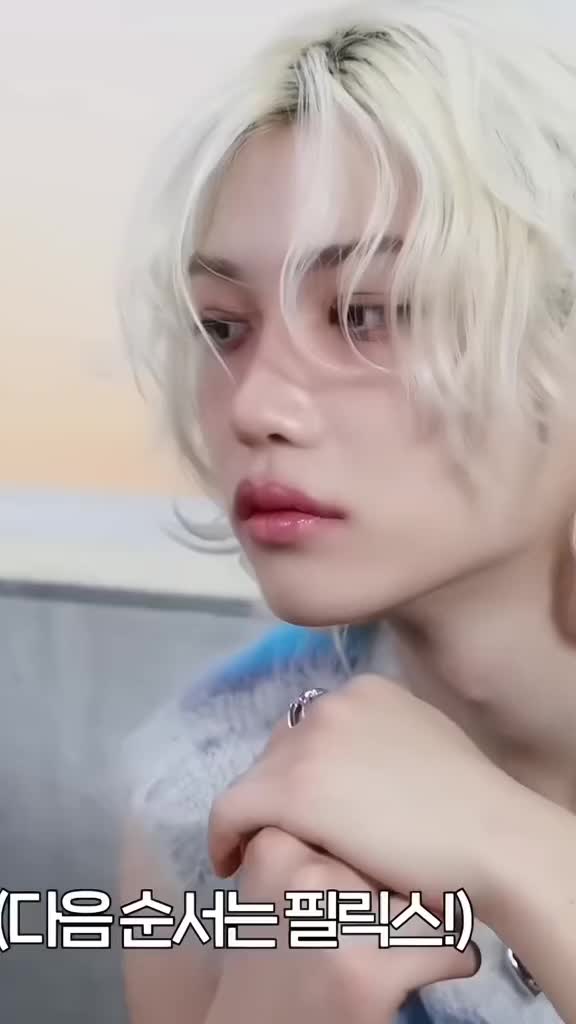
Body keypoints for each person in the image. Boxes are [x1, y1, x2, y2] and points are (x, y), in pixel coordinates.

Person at [118, 1, 576, 1020]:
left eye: (367, 312)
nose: (256, 406)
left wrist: (516, 851)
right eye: (224, 326)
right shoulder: (209, 786)